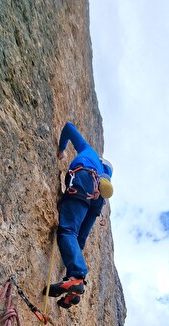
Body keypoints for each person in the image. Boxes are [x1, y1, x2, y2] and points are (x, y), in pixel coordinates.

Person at [43, 122, 113, 309]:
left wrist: (61, 150)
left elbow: (67, 128)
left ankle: (76, 277)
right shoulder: (103, 176)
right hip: (97, 202)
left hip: (83, 179)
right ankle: (72, 290)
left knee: (67, 231)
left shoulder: (89, 153)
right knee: (78, 240)